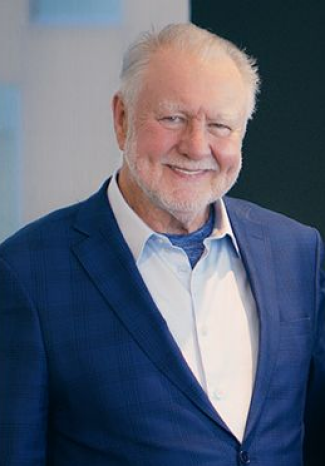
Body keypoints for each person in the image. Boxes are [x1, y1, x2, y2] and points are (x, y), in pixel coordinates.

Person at [0, 23, 324, 466]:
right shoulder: (26, 272)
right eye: (172, 118)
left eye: (220, 125)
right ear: (122, 118)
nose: (196, 146)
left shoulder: (297, 253)